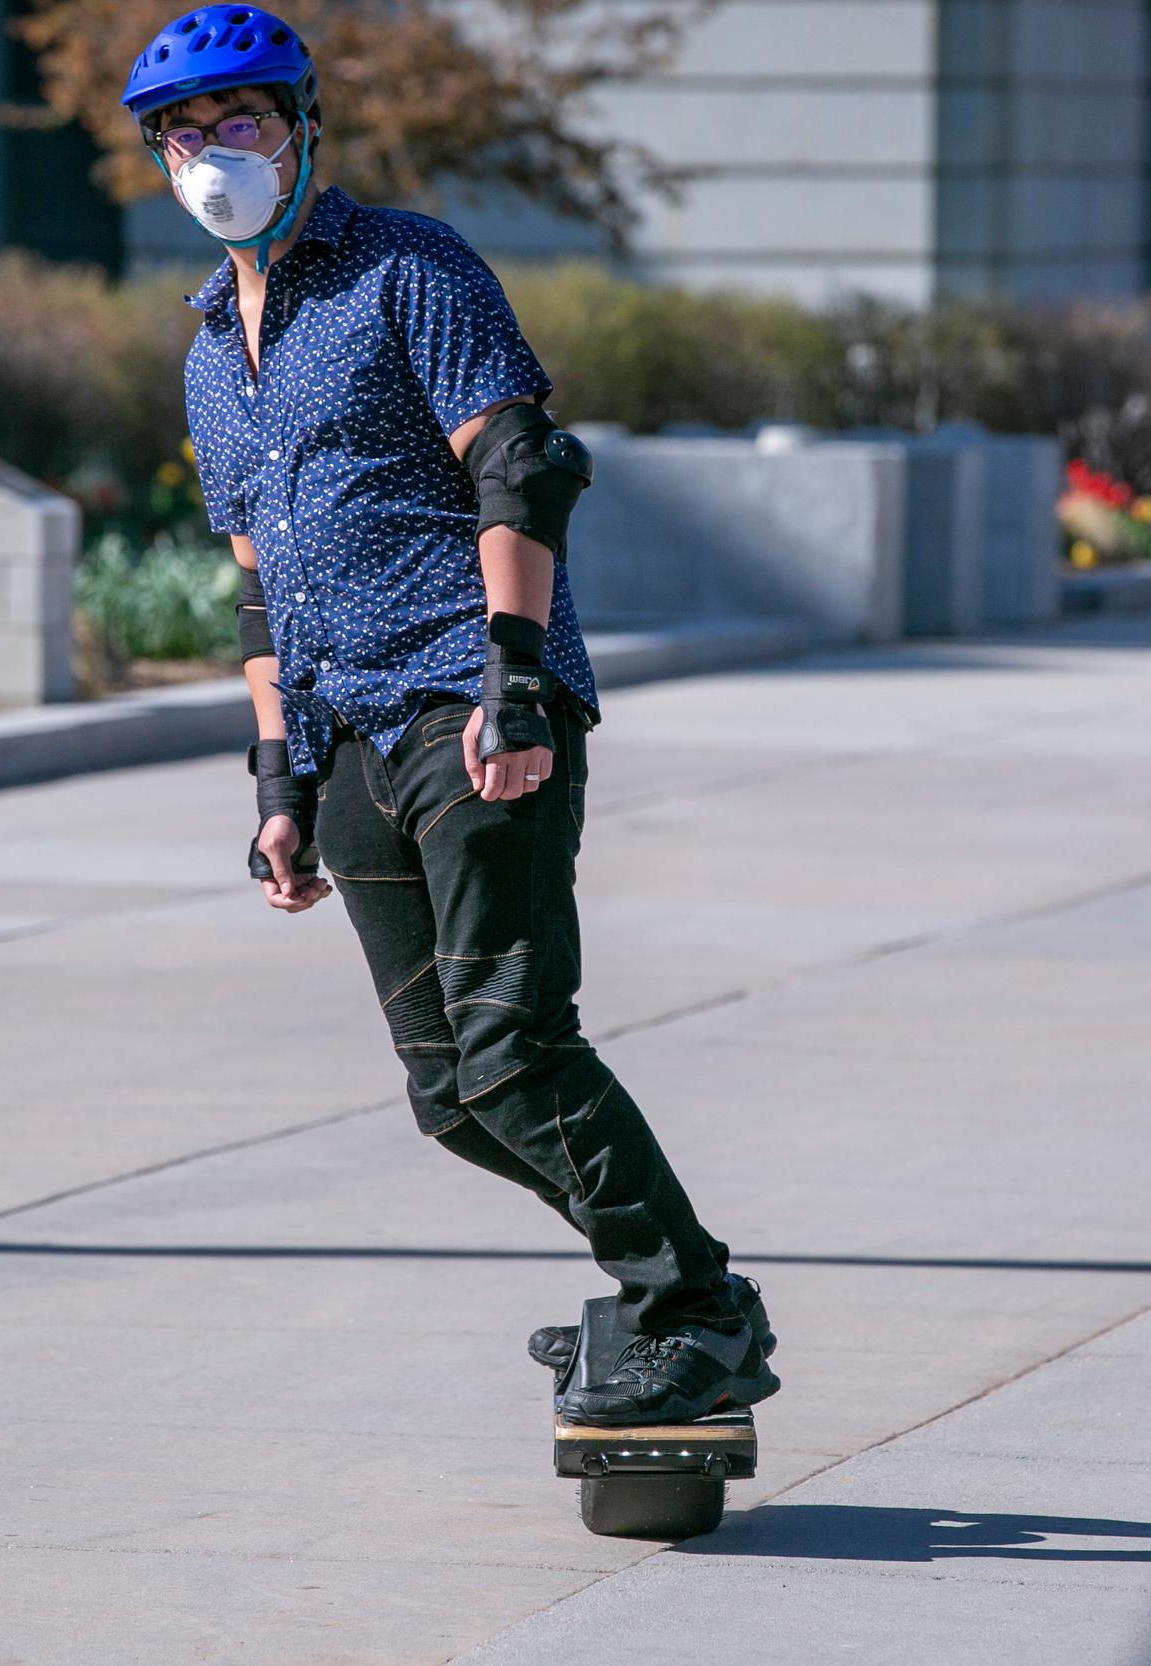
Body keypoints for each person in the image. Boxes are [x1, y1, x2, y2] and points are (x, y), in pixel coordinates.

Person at [122, 5, 778, 1426]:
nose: (211, 153)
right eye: (183, 133)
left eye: (240, 121)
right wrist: (274, 782)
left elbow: (522, 471)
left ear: (301, 129)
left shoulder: (408, 268)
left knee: (515, 1041)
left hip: (466, 700)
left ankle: (692, 1305)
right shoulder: (205, 355)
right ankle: (671, 1282)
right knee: (448, 1089)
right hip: (345, 731)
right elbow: (255, 589)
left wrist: (516, 675)